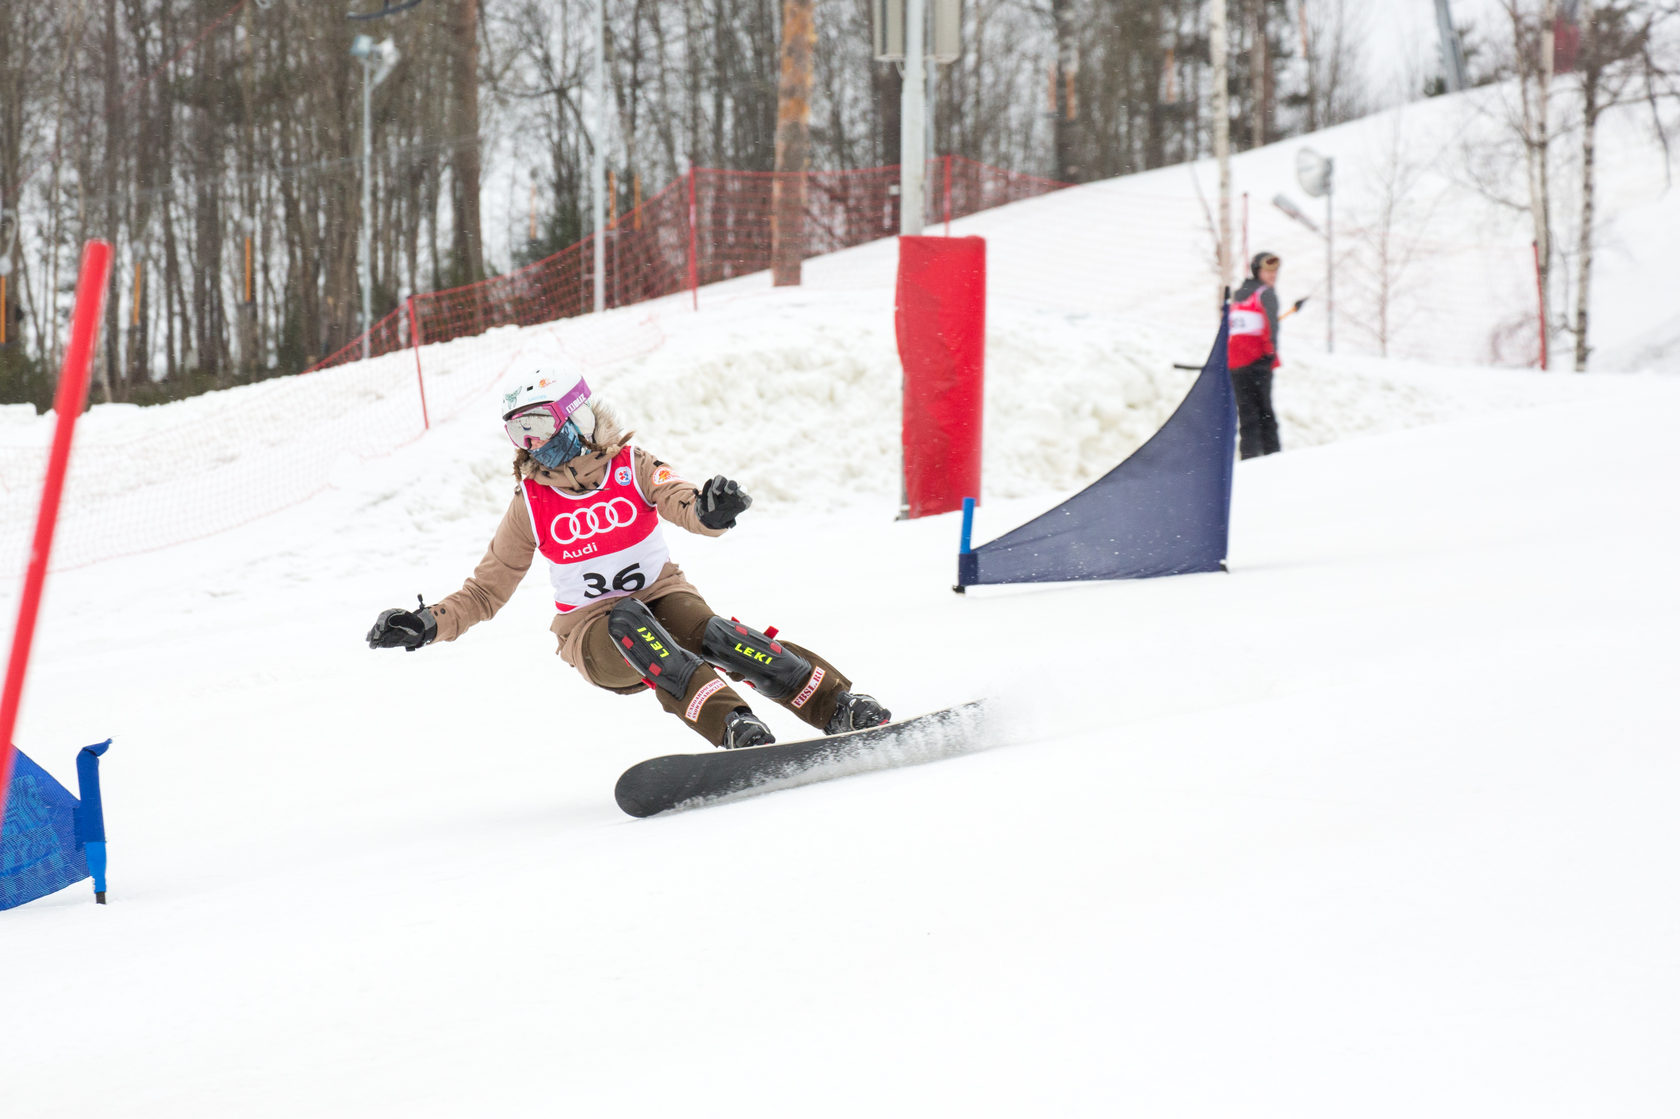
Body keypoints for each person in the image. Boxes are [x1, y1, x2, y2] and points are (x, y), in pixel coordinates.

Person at [365, 372, 890, 750]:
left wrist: (710, 511)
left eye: (539, 425)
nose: (533, 443)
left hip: (663, 597)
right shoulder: (532, 503)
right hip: (594, 635)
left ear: (578, 417)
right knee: (628, 621)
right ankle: (731, 723)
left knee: (714, 634)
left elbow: (679, 499)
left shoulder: (631, 467)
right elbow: (486, 590)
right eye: (519, 433)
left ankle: (836, 706)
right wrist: (427, 623)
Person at [1226, 251, 1304, 460]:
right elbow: (1272, 328)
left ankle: (1249, 457)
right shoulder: (1266, 294)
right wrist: (1270, 354)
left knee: (1247, 415)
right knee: (1265, 413)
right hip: (1258, 362)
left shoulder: (1237, 295)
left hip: (1236, 364)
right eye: (1268, 271)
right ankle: (1272, 457)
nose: (1273, 275)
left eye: (1275, 271)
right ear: (1257, 271)